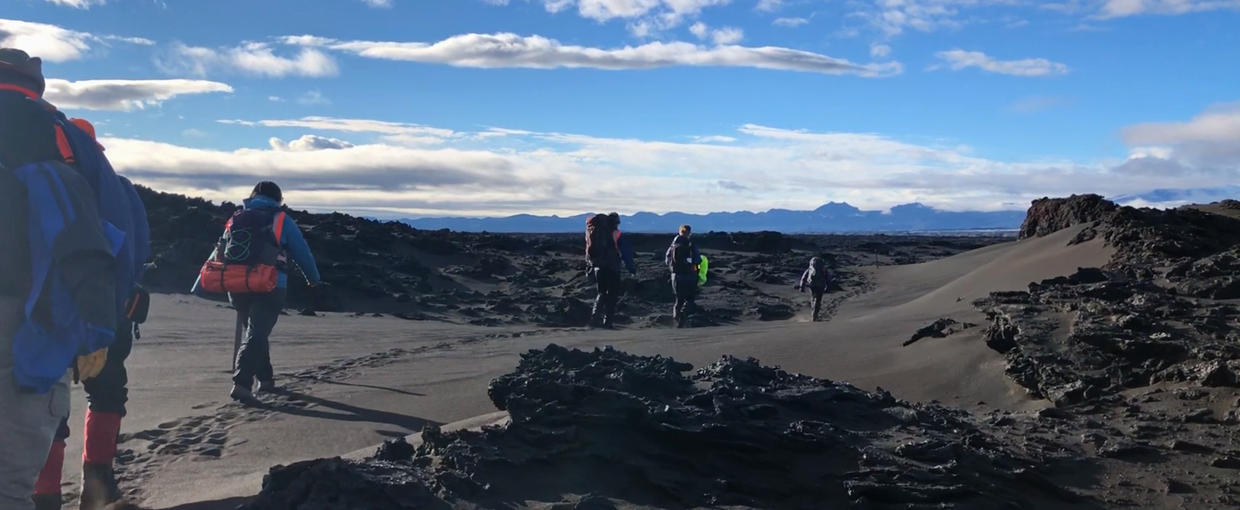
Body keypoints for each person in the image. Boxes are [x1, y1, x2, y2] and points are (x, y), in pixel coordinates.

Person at [0, 48, 122, 510]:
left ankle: (53, 494)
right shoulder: (54, 136)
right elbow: (85, 242)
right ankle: (87, 485)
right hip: (26, 317)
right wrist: (97, 331)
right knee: (8, 486)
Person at [33, 119, 151, 510]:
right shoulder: (119, 189)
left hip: (50, 313)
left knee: (50, 401)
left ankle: (45, 495)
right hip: (111, 311)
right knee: (108, 392)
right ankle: (96, 487)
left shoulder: (40, 180)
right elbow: (137, 251)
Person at [192, 182, 320, 404]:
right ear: (278, 199)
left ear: (254, 196)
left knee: (255, 333)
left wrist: (199, 283)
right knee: (257, 334)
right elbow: (302, 252)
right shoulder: (281, 220)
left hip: (237, 284)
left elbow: (219, 250)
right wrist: (314, 279)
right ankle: (242, 383)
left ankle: (266, 379)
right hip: (270, 284)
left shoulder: (237, 218)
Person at [585, 212, 635, 329]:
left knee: (601, 292)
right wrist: (631, 268)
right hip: (612, 267)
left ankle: (594, 318)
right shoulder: (616, 233)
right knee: (612, 295)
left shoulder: (593, 231)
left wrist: (590, 267)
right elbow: (625, 252)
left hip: (598, 267)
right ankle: (607, 322)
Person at [665, 225, 702, 328]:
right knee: (690, 299)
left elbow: (667, 260)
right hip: (690, 276)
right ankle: (686, 318)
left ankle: (676, 321)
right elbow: (698, 259)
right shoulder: (691, 244)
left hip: (676, 276)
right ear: (689, 233)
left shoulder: (673, 246)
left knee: (678, 300)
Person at [797, 256, 832, 322]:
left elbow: (803, 278)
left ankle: (813, 314)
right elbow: (828, 278)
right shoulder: (823, 269)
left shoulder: (810, 269)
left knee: (813, 298)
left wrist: (802, 287)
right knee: (818, 301)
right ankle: (815, 316)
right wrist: (828, 287)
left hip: (812, 285)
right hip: (821, 286)